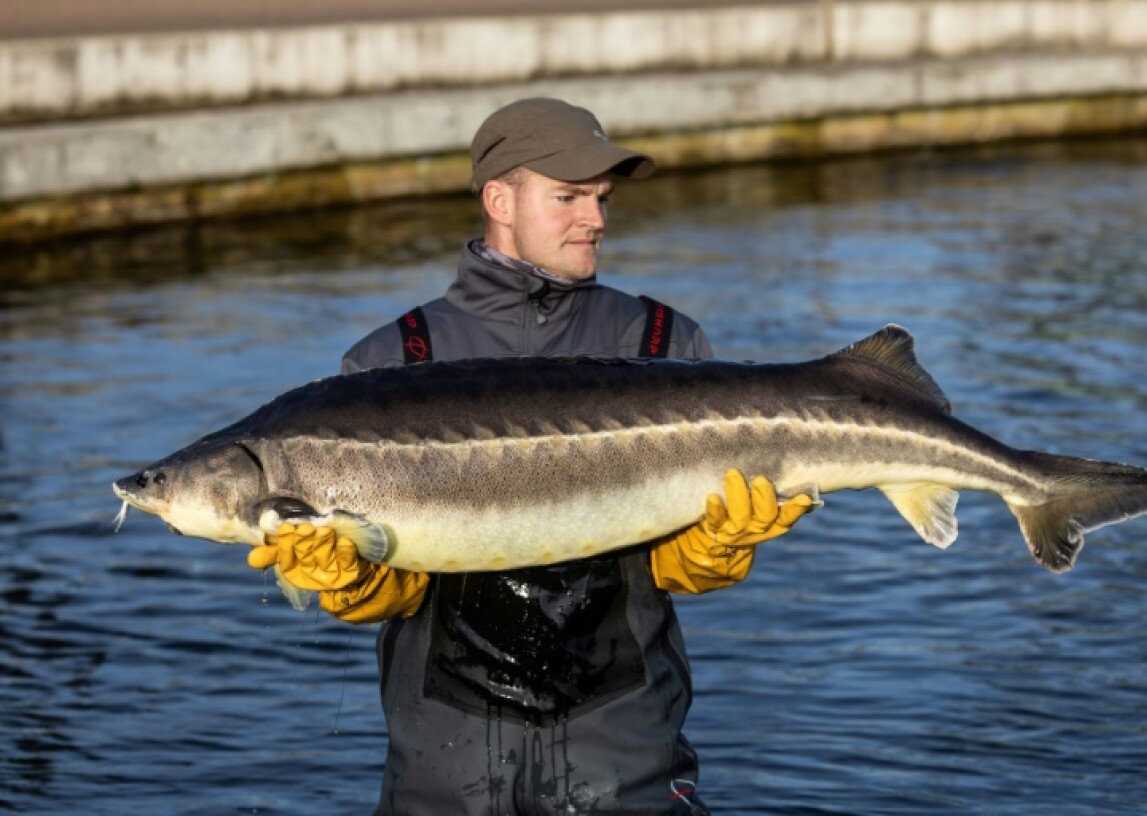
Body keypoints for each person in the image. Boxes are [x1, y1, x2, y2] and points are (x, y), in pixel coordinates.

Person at [247, 97, 814, 815]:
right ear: (499, 200)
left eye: (601, 198)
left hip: (625, 767)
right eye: (568, 196)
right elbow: (398, 593)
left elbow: (666, 567)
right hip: (445, 778)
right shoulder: (394, 361)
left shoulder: (662, 343)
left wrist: (709, 548)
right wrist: (352, 579)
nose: (597, 219)